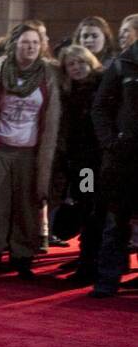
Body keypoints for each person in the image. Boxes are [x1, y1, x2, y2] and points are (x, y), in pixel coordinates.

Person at [0, 21, 60, 279]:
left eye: (36, 43)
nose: (31, 47)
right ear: (15, 44)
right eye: (26, 42)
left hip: (30, 151)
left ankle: (22, 255)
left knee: (27, 206)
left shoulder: (49, 74)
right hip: (0, 148)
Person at [51, 45, 105, 285]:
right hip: (78, 163)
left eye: (80, 62)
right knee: (87, 212)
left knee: (90, 213)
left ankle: (89, 267)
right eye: (71, 64)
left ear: (90, 62)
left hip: (92, 165)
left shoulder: (101, 87)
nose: (76, 68)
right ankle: (88, 261)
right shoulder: (69, 91)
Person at [90, 31, 138, 298]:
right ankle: (107, 279)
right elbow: (100, 108)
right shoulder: (122, 64)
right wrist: (111, 142)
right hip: (123, 160)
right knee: (116, 221)